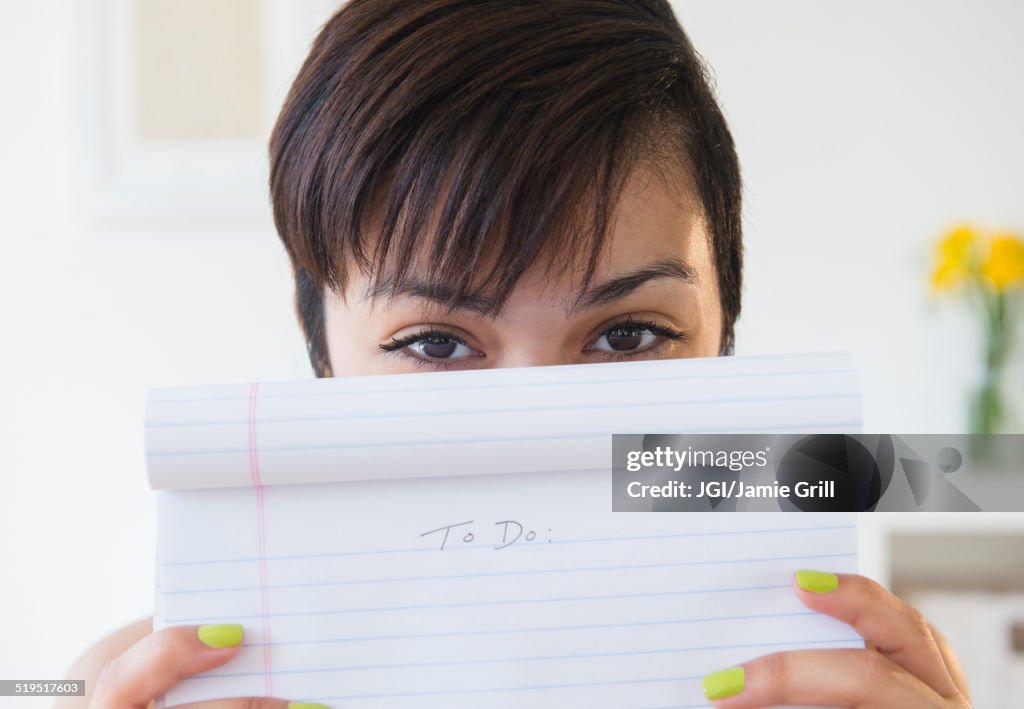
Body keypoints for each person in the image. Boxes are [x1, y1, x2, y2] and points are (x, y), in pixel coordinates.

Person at [62, 1, 972, 707]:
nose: (536, 432)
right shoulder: (125, 680)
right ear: (322, 359)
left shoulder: (854, 679)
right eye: (434, 343)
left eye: (629, 336)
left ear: (726, 334)